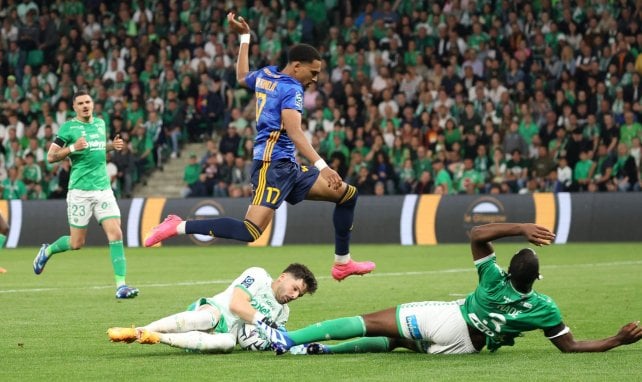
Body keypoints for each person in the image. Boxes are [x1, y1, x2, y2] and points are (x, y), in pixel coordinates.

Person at [144, 13, 375, 281]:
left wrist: (245, 38)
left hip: (289, 167)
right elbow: (295, 131)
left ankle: (342, 263)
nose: (315, 79)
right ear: (297, 66)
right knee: (250, 231)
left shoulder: (266, 74)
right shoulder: (292, 89)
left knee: (348, 195)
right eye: (313, 73)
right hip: (272, 166)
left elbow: (242, 76)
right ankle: (178, 225)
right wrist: (323, 167)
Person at [257, 223, 642, 355]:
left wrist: (523, 227)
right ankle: (323, 349)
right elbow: (571, 347)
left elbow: (476, 234)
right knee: (398, 342)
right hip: (469, 348)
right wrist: (616, 340)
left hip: (451, 320)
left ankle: (286, 337)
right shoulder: (545, 307)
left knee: (370, 322)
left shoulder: (493, 280)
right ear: (534, 282)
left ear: (509, 272)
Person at [32, 90, 139, 299]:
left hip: (103, 190)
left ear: (93, 104)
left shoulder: (100, 123)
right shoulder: (69, 128)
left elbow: (95, 149)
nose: (85, 105)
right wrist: (72, 147)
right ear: (74, 107)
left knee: (116, 233)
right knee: (76, 243)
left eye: (88, 102)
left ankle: (121, 286)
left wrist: (111, 146)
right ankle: (48, 250)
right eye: (80, 103)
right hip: (80, 192)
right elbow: (51, 156)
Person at [107, 263, 317, 353]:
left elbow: (263, 338)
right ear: (282, 277)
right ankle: (137, 331)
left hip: (227, 335)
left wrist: (273, 341)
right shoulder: (259, 275)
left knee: (227, 344)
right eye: (295, 288)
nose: (294, 296)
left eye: (300, 294)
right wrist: (263, 322)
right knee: (208, 319)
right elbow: (236, 304)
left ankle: (155, 337)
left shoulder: (283, 313)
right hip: (215, 311)